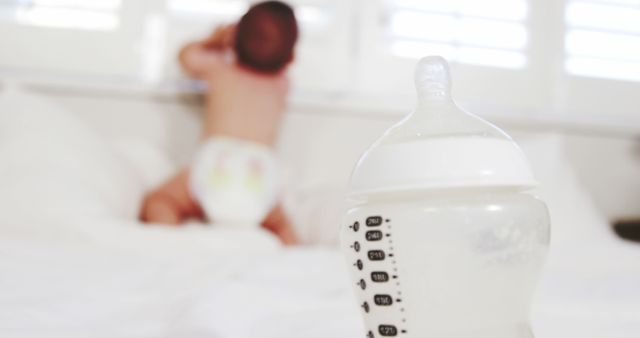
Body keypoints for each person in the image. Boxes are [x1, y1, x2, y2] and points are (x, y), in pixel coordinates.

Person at [139, 1, 298, 245]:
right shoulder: (282, 85)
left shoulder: (219, 70)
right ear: (290, 56)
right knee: (281, 224)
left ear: (234, 38)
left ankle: (168, 242)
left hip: (216, 164)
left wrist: (213, 41)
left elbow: (186, 56)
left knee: (160, 201)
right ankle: (296, 254)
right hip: (257, 175)